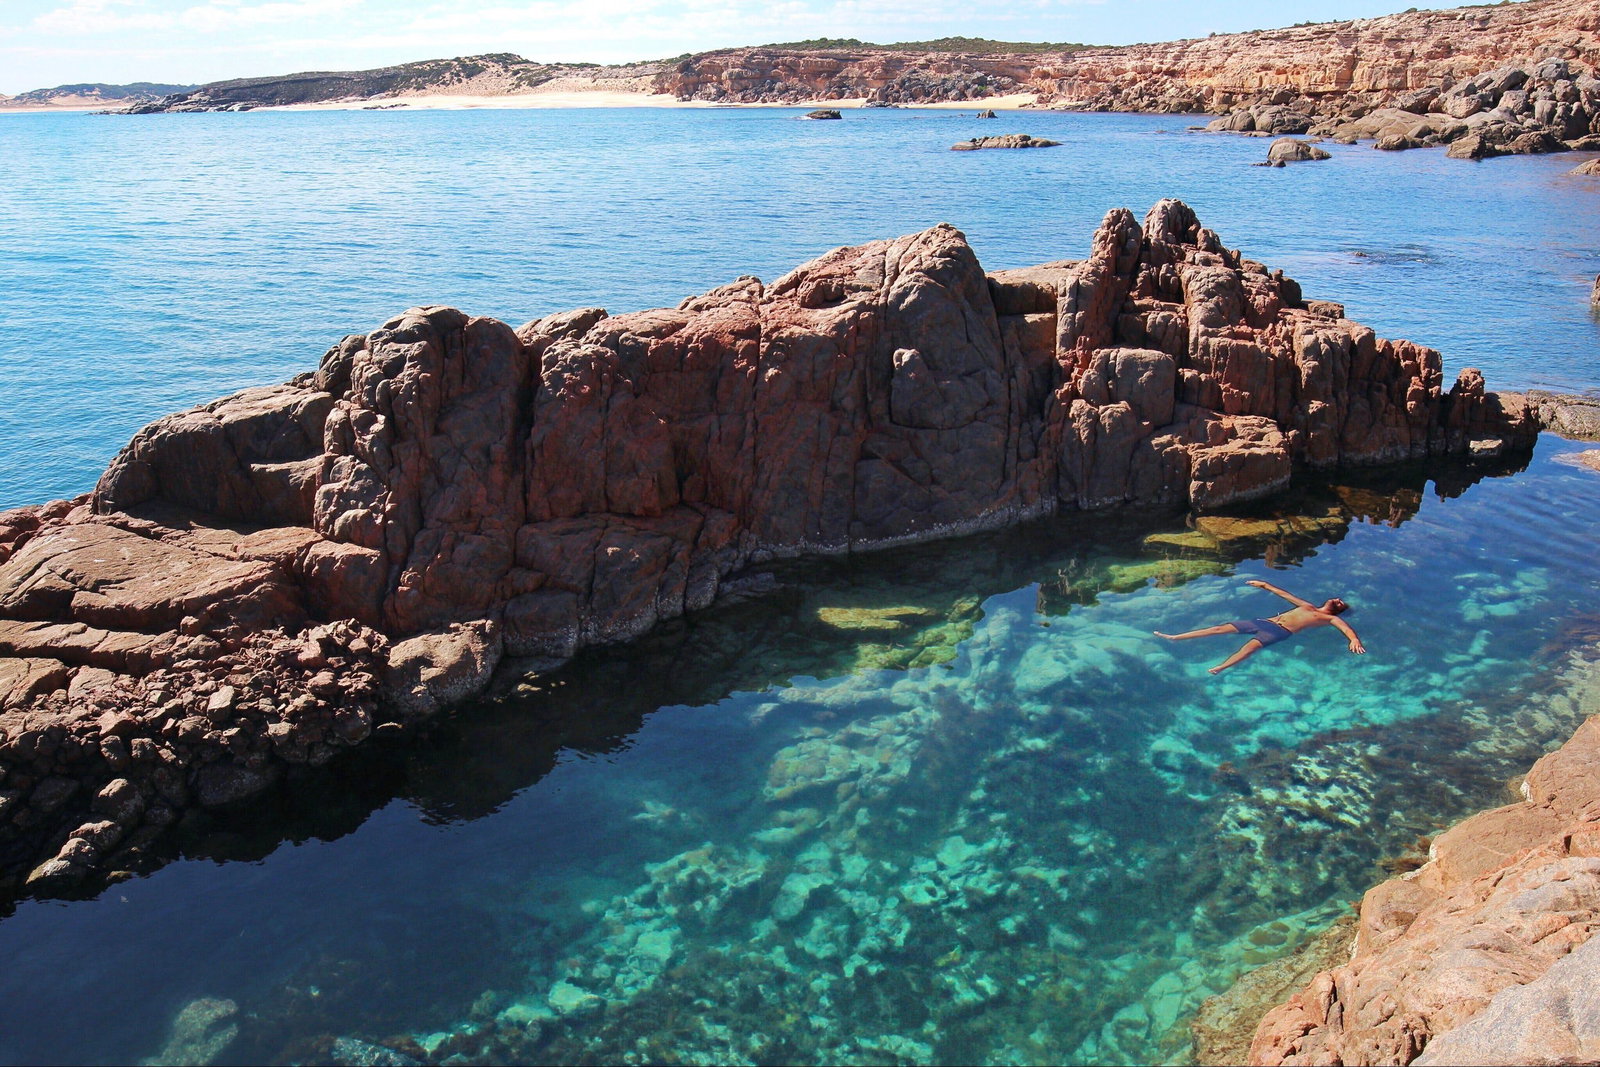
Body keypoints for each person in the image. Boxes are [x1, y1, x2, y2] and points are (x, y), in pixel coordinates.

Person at [1155, 579, 1366, 675]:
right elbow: (1285, 595)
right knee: (1218, 629)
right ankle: (1175, 637)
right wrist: (1264, 585)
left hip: (1279, 632)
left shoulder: (1327, 619)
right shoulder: (1307, 606)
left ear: (1337, 611)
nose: (1338, 599)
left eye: (1340, 604)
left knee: (1248, 649)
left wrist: (1354, 639)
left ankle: (1221, 667)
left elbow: (1345, 628)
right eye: (1339, 599)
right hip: (1265, 622)